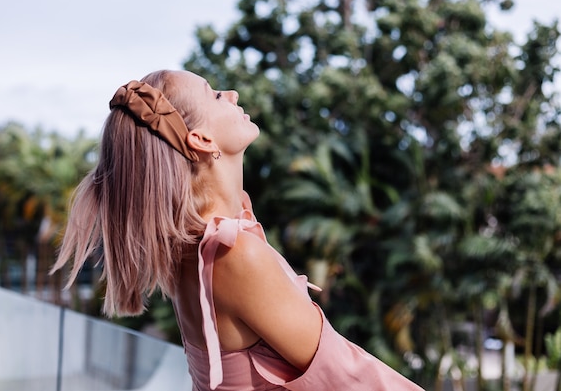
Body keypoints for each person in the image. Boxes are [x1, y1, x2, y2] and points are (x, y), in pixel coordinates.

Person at [51, 70, 424, 390]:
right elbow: (348, 378)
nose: (232, 94)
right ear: (201, 140)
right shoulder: (233, 255)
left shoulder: (199, 249)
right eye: (215, 94)